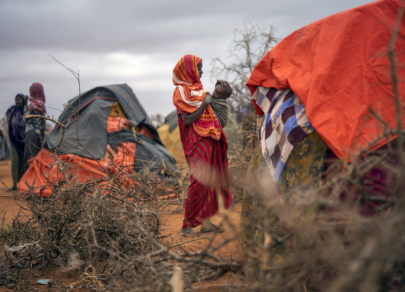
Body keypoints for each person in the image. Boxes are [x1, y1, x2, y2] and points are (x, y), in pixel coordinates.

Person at [172, 54, 233, 236]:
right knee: (199, 181)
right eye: (199, 68)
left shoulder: (199, 90)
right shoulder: (181, 92)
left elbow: (214, 114)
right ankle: (187, 225)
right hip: (196, 141)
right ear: (190, 70)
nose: (202, 71)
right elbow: (188, 119)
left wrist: (218, 93)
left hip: (210, 140)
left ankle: (206, 223)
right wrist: (204, 103)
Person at [6, 93, 27, 191]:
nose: (17, 101)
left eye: (19, 99)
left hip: (24, 141)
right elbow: (8, 120)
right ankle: (14, 184)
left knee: (22, 162)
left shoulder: (27, 111)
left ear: (23, 100)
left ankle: (22, 183)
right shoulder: (13, 110)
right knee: (15, 161)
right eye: (16, 100)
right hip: (13, 139)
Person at [24, 83, 46, 170]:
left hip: (31, 135)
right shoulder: (41, 105)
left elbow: (26, 119)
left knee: (30, 160)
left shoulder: (33, 105)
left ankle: (31, 182)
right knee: (36, 159)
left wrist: (25, 105)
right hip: (38, 136)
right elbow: (43, 124)